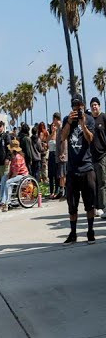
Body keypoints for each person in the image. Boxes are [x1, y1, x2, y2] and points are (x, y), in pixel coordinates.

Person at [59, 96, 98, 244]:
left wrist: (83, 124)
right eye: (74, 106)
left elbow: (90, 139)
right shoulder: (67, 119)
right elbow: (63, 137)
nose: (77, 109)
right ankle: (73, 233)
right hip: (72, 168)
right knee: (72, 204)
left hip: (87, 167)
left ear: (83, 105)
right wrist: (69, 122)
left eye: (79, 106)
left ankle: (90, 231)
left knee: (89, 203)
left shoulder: (89, 119)